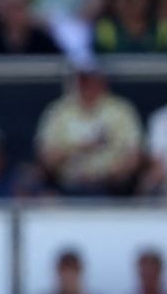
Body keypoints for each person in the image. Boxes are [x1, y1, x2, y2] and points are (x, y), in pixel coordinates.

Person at [36, 62, 143, 197]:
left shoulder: (121, 110)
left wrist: (106, 176)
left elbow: (134, 158)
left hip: (111, 188)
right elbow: (47, 159)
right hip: (66, 187)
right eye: (82, 80)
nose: (87, 85)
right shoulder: (59, 111)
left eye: (91, 79)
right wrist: (81, 147)